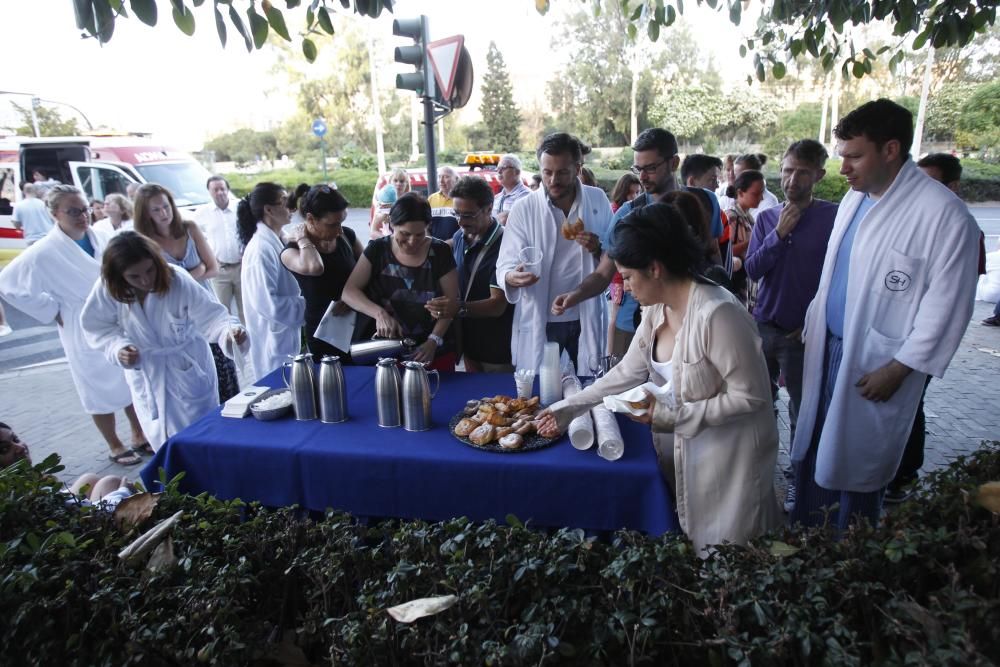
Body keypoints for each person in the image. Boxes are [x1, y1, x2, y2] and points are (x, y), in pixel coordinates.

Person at [537, 204, 781, 555]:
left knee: (726, 561)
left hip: (729, 469)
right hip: (681, 459)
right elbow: (627, 371)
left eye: (628, 276)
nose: (624, 285)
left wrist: (672, 414)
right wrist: (569, 407)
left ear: (655, 268)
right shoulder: (657, 308)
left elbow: (752, 398)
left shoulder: (719, 314)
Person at [790, 99, 980, 531]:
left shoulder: (944, 217)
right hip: (827, 349)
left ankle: (849, 558)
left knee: (855, 462)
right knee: (816, 449)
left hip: (876, 363)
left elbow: (948, 306)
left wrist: (900, 368)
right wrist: (817, 313)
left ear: (891, 149)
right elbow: (835, 273)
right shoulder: (856, 202)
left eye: (854, 156)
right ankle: (808, 549)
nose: (844, 170)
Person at [0, 185, 148, 466]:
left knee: (128, 376)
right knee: (94, 383)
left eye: (84, 209)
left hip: (116, 315)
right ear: (55, 213)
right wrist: (51, 309)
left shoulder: (103, 236)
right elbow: (8, 283)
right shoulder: (43, 251)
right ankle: (114, 443)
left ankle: (139, 433)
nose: (82, 216)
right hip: (79, 322)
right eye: (73, 211)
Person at [550, 128, 722, 359]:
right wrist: (575, 295)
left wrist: (721, 297)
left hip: (697, 317)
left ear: (673, 163)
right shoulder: (627, 214)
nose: (642, 177)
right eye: (638, 169)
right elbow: (603, 274)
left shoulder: (704, 202)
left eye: (650, 168)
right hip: (636, 321)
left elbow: (713, 256)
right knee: (628, 389)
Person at [882, 152, 988, 503]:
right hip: (890, 336)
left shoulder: (961, 229)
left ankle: (905, 474)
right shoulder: (911, 222)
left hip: (918, 344)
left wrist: (909, 357)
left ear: (952, 187)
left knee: (911, 404)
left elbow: (952, 301)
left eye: (931, 183)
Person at [81, 232, 249, 450]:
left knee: (201, 440)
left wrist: (230, 333)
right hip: (148, 375)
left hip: (187, 370)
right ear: (118, 276)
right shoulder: (108, 288)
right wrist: (117, 348)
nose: (145, 280)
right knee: (162, 445)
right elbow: (97, 327)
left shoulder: (176, 279)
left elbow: (213, 317)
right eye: (134, 276)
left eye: (149, 270)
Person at [744, 139, 838, 512]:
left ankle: (800, 483)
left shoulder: (833, 217)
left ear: (818, 175)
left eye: (801, 171)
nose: (791, 179)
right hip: (764, 325)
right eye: (786, 170)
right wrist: (778, 234)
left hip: (804, 334)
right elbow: (752, 269)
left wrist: (819, 318)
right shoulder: (767, 218)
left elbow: (842, 276)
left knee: (804, 412)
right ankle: (757, 476)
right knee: (758, 406)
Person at [497, 132, 612, 371]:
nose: (553, 180)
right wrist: (512, 277)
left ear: (578, 169)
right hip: (543, 317)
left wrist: (597, 247)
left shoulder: (598, 200)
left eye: (562, 173)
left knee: (588, 386)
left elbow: (613, 257)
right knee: (543, 392)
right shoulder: (524, 209)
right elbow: (504, 265)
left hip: (585, 314)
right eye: (547, 172)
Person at [133, 183, 240, 403]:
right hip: (173, 314)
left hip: (204, 304)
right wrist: (194, 271)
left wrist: (186, 276)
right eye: (156, 209)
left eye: (166, 206)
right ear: (145, 213)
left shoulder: (189, 228)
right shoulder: (143, 241)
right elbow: (156, 285)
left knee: (222, 370)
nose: (164, 213)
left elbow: (212, 268)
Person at [343, 193, 460, 370]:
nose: (412, 242)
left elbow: (451, 303)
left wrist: (433, 340)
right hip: (386, 350)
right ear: (391, 224)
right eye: (404, 234)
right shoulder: (377, 249)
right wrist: (379, 314)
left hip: (432, 350)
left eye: (420, 234)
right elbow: (349, 291)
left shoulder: (440, 251)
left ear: (428, 226)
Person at [429, 176, 515, 372]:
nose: (460, 222)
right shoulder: (460, 236)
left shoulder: (506, 245)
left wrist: (456, 309)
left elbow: (497, 305)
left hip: (498, 349)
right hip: (467, 345)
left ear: (488, 208)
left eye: (468, 215)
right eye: (456, 213)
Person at [281, 185, 363, 360]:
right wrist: (302, 238)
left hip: (358, 326)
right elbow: (315, 267)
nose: (339, 230)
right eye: (333, 224)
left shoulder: (347, 236)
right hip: (324, 335)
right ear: (310, 219)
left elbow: (370, 271)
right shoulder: (291, 251)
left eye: (342, 222)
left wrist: (353, 297)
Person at [239, 182, 305, 381]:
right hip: (273, 342)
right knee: (280, 389)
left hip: (286, 335)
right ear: (269, 209)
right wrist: (311, 305)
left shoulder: (280, 239)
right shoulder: (260, 249)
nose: (291, 207)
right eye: (285, 202)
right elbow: (269, 305)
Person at [0, 421, 136, 507]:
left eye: (15, 439)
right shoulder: (19, 499)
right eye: (5, 449)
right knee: (111, 482)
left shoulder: (30, 483)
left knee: (89, 479)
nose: (19, 447)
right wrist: (122, 492)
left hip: (64, 513)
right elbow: (93, 516)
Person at [194, 175, 245, 323]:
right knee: (222, 312)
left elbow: (251, 231)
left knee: (246, 311)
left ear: (227, 189)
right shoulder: (201, 213)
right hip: (219, 270)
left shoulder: (240, 208)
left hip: (242, 267)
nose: (220, 192)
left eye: (222, 188)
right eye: (215, 190)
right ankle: (228, 343)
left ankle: (251, 345)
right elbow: (195, 239)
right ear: (209, 192)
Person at [723, 169, 765, 305]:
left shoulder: (747, 216)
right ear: (740, 193)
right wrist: (753, 241)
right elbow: (727, 251)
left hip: (745, 280)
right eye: (756, 194)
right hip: (737, 280)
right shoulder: (732, 217)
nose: (761, 198)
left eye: (761, 194)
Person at [492, 154, 533, 225]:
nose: (499, 171)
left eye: (503, 168)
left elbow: (505, 220)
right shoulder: (497, 198)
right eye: (498, 168)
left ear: (517, 172)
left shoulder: (527, 196)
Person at [371, 168, 410, 239]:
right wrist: (388, 241)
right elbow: (373, 232)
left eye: (402, 181)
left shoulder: (411, 203)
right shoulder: (383, 205)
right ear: (390, 182)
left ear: (407, 184)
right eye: (395, 180)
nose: (398, 183)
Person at [428, 166, 460, 242]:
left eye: (446, 177)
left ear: (456, 179)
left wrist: (451, 243)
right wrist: (430, 242)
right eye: (439, 177)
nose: (441, 181)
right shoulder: (431, 199)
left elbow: (466, 229)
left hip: (455, 248)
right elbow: (425, 226)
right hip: (434, 248)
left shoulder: (461, 199)